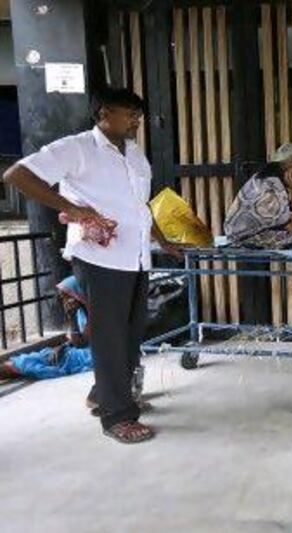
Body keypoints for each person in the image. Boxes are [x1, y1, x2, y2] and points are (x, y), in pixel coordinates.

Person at [3, 87, 181, 444]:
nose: (136, 121)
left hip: (135, 256)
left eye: (138, 116)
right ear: (103, 113)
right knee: (110, 335)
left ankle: (104, 394)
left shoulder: (134, 154)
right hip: (99, 257)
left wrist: (161, 241)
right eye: (129, 114)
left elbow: (140, 205)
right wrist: (73, 207)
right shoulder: (77, 148)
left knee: (130, 331)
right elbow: (17, 176)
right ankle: (117, 415)